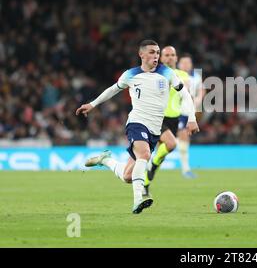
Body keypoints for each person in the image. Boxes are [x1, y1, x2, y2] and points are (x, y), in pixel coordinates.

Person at [75, 40, 199, 214]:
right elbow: (113, 89)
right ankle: (138, 200)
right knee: (145, 154)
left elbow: (185, 95)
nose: (155, 56)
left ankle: (105, 160)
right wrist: (92, 104)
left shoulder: (167, 73)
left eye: (157, 52)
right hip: (137, 122)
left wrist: (192, 118)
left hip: (155, 129)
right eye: (151, 52)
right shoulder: (131, 74)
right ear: (141, 54)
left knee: (127, 176)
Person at [143, 46, 198, 191]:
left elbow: (188, 98)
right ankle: (150, 167)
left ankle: (146, 183)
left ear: (176, 58)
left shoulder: (183, 76)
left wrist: (191, 118)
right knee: (171, 144)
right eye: (166, 55)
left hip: (174, 118)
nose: (170, 57)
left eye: (172, 55)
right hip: (157, 117)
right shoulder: (154, 73)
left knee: (162, 153)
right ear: (161, 58)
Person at [175, 54, 204, 179]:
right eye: (183, 62)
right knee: (181, 136)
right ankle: (186, 169)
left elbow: (202, 89)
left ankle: (186, 169)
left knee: (184, 137)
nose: (186, 65)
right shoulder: (174, 75)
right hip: (175, 110)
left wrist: (198, 98)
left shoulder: (196, 76)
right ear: (179, 64)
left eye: (188, 62)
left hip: (187, 111)